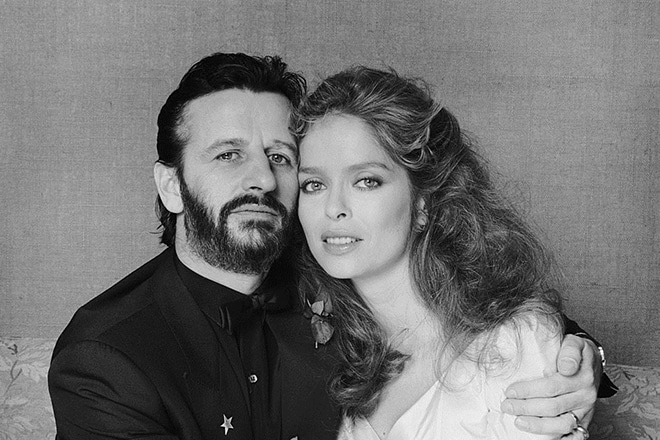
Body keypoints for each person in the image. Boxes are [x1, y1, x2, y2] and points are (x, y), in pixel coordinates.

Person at [48, 53, 611, 440]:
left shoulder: (333, 274)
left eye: (281, 158)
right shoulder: (106, 357)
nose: (262, 179)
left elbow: (494, 314)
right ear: (171, 186)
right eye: (228, 155)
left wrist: (578, 361)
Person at [294, 66, 610, 439]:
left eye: (366, 181)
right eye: (313, 184)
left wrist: (587, 357)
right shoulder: (324, 350)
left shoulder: (512, 346)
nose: (333, 208)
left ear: (423, 204)